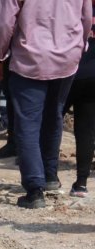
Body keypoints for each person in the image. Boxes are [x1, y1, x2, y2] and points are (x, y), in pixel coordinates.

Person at [0, 0, 92, 208]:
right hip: (67, 56)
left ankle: (35, 189)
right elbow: (86, 18)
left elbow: (3, 23)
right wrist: (80, 46)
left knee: (28, 124)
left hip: (30, 57)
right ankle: (49, 175)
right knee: (54, 115)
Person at [65, 25, 95, 197]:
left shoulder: (71, 9)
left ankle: (48, 176)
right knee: (86, 131)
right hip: (91, 74)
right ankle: (81, 184)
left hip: (66, 71)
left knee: (50, 124)